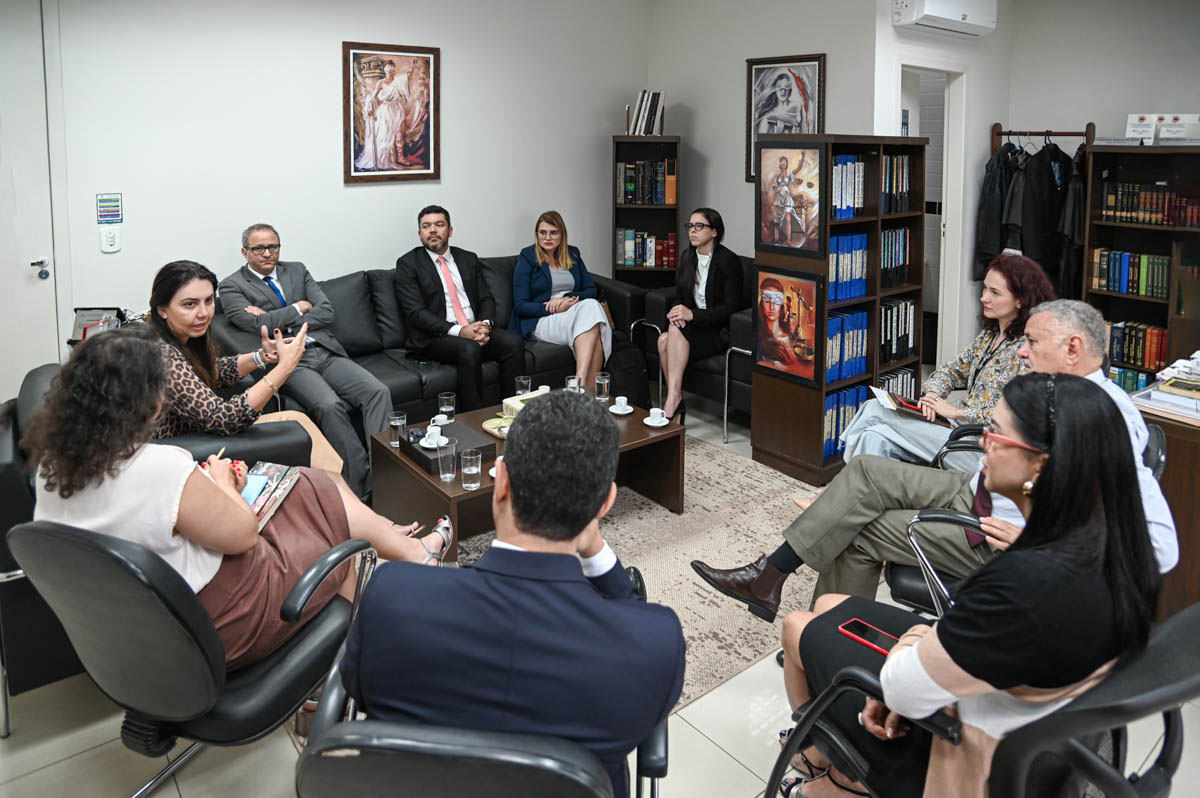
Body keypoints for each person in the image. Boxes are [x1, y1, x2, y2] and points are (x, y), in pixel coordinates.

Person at [775, 373, 1160, 798]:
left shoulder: (1019, 579)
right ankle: (831, 763)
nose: (981, 442)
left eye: (995, 433)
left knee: (796, 625)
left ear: (1041, 463)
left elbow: (903, 690)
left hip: (968, 753)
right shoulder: (1107, 546)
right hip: (1023, 729)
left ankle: (836, 773)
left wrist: (918, 638)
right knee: (829, 603)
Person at [691, 299, 1177, 619]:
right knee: (865, 472)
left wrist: (1039, 542)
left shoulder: (1107, 417)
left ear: (1073, 348)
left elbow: (1160, 545)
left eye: (1031, 343)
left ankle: (824, 639)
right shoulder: (1055, 390)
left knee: (858, 531)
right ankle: (769, 577)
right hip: (977, 490)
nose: (1022, 354)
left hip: (992, 532)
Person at [24, 327, 450, 671]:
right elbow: (243, 536)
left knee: (307, 485)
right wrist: (223, 484)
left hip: (137, 639)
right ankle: (351, 665)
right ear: (152, 404)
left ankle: (402, 561)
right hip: (216, 627)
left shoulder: (51, 468)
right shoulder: (159, 466)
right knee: (335, 542)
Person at [339, 391, 685, 798]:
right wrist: (596, 551)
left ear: (500, 481)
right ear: (606, 502)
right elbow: (632, 620)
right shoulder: (654, 645)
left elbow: (356, 691)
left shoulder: (391, 595)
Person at [219, 223, 392, 498]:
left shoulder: (297, 270)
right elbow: (253, 324)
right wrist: (299, 306)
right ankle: (362, 487)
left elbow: (326, 311)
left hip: (323, 349)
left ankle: (388, 475)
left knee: (378, 392)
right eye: (259, 248)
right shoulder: (231, 286)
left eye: (273, 246)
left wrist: (274, 317)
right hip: (290, 362)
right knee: (329, 405)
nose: (268, 253)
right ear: (245, 252)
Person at [840, 254, 1055, 467]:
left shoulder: (1028, 349)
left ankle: (843, 482)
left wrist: (958, 413)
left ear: (1020, 300)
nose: (984, 298)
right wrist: (933, 395)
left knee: (875, 410)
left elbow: (1021, 417)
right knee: (874, 435)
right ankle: (855, 486)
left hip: (980, 444)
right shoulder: (989, 336)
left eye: (995, 292)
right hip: (956, 426)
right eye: (985, 288)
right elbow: (951, 370)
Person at [149, 260, 343, 474]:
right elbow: (224, 419)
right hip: (177, 454)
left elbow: (210, 372)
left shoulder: (178, 339)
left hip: (195, 439)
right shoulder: (162, 354)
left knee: (299, 420)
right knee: (299, 430)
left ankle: (340, 487)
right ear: (162, 309)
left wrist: (261, 357)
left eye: (209, 301)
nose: (203, 313)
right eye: (190, 305)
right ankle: (338, 490)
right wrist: (284, 368)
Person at [394, 205, 526, 411]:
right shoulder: (408, 264)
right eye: (426, 226)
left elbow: (486, 298)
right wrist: (461, 331)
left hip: (474, 328)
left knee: (513, 342)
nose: (432, 230)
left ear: (450, 230)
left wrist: (484, 325)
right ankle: (474, 418)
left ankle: (514, 412)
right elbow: (416, 313)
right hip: (435, 338)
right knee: (469, 347)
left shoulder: (467, 258)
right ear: (420, 234)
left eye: (439, 224)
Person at [656, 208, 744, 423]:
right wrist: (677, 312)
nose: (692, 231)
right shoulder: (687, 257)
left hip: (716, 330)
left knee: (669, 336)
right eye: (690, 226)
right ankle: (675, 398)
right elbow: (679, 296)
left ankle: (673, 399)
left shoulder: (729, 261)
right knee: (663, 340)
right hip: (693, 327)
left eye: (699, 226)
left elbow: (730, 308)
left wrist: (691, 315)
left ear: (714, 232)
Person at [509, 210, 611, 388]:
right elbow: (521, 305)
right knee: (592, 314)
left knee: (591, 310)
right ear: (537, 234)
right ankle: (582, 387)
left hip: (573, 311)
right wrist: (553, 307)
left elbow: (591, 290)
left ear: (562, 234)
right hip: (542, 318)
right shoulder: (528, 257)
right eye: (543, 232)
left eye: (553, 232)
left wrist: (565, 299)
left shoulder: (573, 254)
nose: (547, 237)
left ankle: (580, 388)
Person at [354, 59, 408, 172]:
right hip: (385, 110)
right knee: (386, 135)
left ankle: (401, 157)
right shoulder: (381, 82)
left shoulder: (398, 82)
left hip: (397, 109)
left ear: (394, 70)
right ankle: (388, 160)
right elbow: (373, 96)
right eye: (388, 69)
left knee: (399, 133)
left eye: (391, 69)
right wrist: (370, 105)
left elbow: (404, 92)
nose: (389, 71)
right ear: (385, 70)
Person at [756, 276, 807, 372]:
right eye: (767, 300)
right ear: (762, 303)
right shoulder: (759, 337)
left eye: (776, 301)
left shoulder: (790, 335)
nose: (772, 307)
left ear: (781, 304)